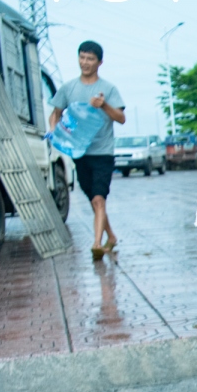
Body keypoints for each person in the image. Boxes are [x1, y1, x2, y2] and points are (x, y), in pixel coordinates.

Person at [49, 40, 125, 260]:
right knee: (94, 200)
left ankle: (96, 244)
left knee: (99, 200)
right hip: (79, 153)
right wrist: (54, 131)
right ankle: (110, 236)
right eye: (82, 57)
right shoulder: (69, 88)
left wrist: (104, 106)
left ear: (99, 62)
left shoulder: (108, 89)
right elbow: (55, 113)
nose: (85, 62)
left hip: (103, 152)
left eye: (90, 58)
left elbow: (121, 118)